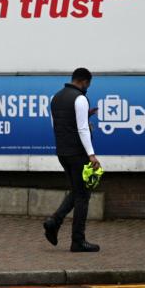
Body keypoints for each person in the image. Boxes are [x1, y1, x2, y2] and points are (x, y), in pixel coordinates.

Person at [44, 67, 101, 252]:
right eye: (87, 85)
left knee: (76, 191)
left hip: (63, 152)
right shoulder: (80, 98)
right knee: (83, 196)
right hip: (78, 153)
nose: (87, 89)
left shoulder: (55, 97)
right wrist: (91, 154)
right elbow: (83, 129)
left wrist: (85, 114)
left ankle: (54, 221)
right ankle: (78, 241)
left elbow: (58, 124)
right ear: (84, 82)